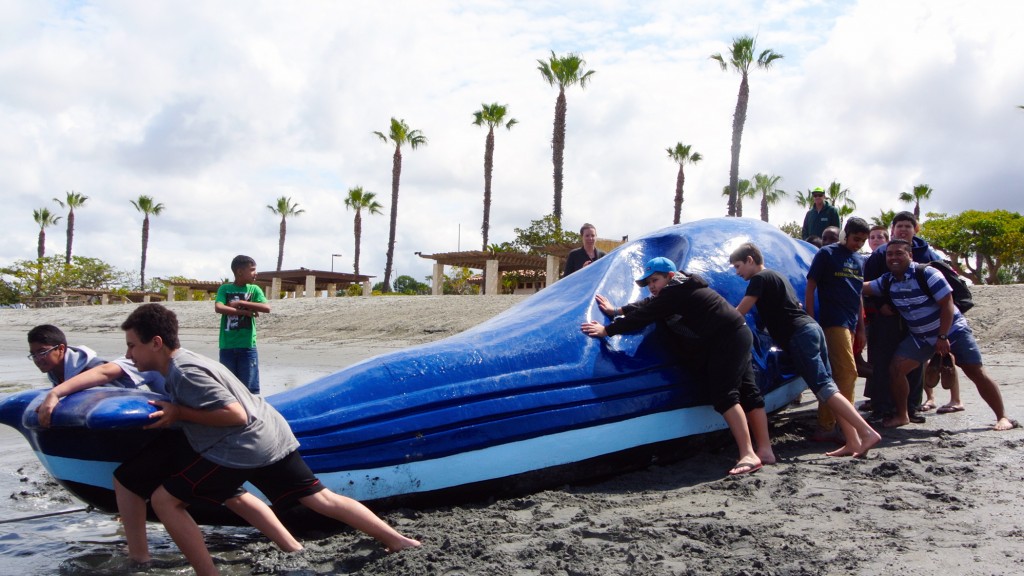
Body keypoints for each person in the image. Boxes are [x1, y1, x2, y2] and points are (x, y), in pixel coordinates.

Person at [113, 304, 420, 575]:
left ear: (156, 343)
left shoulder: (186, 372)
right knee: (320, 498)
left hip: (244, 443)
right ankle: (398, 540)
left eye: (131, 346)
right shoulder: (189, 361)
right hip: (272, 434)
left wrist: (178, 412)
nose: (128, 355)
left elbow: (235, 415)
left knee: (166, 501)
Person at [580, 257, 775, 475]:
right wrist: (617, 310)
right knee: (748, 391)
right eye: (648, 283)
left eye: (655, 280)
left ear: (670, 277)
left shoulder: (675, 292)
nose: (651, 286)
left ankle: (748, 454)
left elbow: (645, 315)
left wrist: (607, 331)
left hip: (727, 339)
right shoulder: (679, 288)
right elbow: (647, 305)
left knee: (724, 394)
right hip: (737, 333)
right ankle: (765, 451)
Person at [730, 242, 881, 458]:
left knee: (824, 388)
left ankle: (866, 432)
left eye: (738, 266)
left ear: (750, 260)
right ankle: (853, 441)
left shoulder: (759, 279)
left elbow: (739, 312)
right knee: (830, 387)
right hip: (812, 329)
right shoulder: (777, 276)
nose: (737, 272)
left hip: (799, 335)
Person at [863, 239, 1013, 431]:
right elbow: (861, 286)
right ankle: (902, 416)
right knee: (896, 369)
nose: (893, 257)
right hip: (921, 337)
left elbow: (947, 304)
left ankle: (1002, 417)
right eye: (890, 254)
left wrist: (942, 337)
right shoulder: (887, 280)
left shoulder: (927, 273)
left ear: (910, 255)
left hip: (953, 331)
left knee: (975, 371)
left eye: (899, 253)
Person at [862, 211, 942, 421]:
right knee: (881, 361)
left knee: (914, 365)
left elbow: (944, 287)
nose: (903, 229)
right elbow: (868, 283)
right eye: (899, 226)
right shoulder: (880, 254)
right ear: (892, 230)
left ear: (915, 229)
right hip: (886, 318)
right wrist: (880, 306)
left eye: (908, 226)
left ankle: (910, 407)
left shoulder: (927, 254)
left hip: (916, 321)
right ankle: (881, 407)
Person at [805, 217, 870, 444]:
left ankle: (827, 425)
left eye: (863, 241)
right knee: (848, 372)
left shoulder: (859, 260)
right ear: (846, 234)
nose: (858, 244)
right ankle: (847, 425)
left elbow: (858, 293)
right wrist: (812, 318)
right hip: (833, 320)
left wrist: (861, 327)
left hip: (851, 322)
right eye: (855, 239)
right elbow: (811, 285)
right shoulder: (827, 254)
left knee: (837, 374)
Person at [215, 255, 271, 394]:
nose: (255, 273)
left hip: (247, 347)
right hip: (227, 346)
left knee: (250, 389)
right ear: (239, 272)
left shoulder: (254, 290)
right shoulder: (225, 289)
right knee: (228, 389)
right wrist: (245, 313)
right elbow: (219, 307)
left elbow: (266, 307)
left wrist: (241, 303)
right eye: (252, 270)